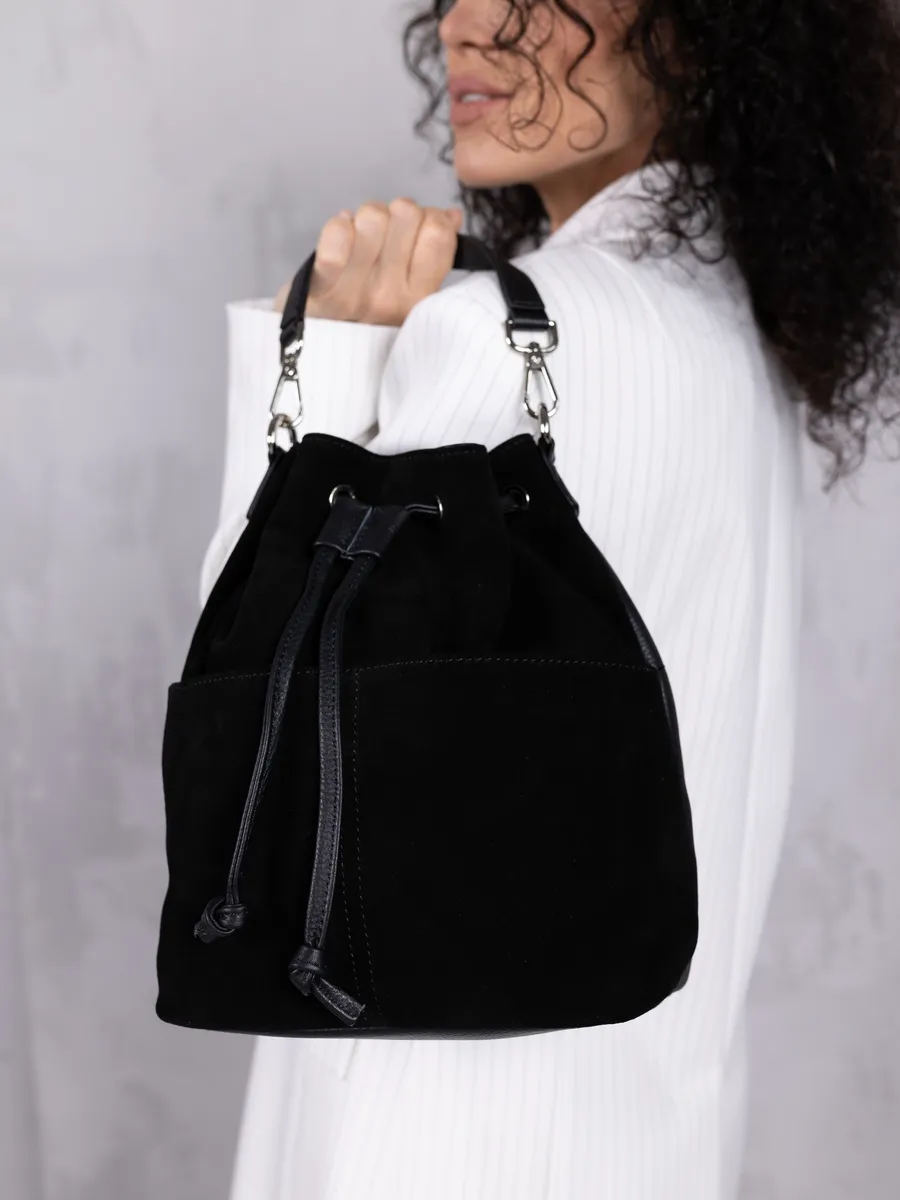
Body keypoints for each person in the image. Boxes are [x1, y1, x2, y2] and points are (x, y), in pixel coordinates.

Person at [197, 2, 900, 1197]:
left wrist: (326, 361)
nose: (472, 25)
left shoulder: (498, 337)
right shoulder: (730, 325)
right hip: (646, 1136)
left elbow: (247, 752)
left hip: (426, 1143)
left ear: (706, 26)